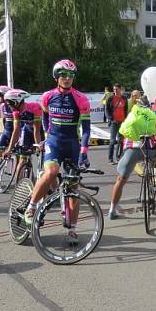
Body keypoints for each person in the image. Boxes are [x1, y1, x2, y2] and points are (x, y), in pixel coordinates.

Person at [22, 60, 92, 246]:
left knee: (73, 189)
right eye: (63, 74)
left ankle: (72, 229)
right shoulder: (47, 96)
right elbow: (45, 115)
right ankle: (31, 207)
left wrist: (84, 151)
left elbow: (85, 130)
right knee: (51, 172)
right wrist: (46, 135)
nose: (67, 78)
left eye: (70, 75)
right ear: (56, 76)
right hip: (54, 141)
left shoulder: (81, 99)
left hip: (72, 144)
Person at [108, 96, 156, 220]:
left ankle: (112, 210)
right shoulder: (155, 114)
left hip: (132, 149)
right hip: (150, 149)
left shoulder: (132, 113)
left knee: (120, 180)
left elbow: (123, 131)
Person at [2, 89, 43, 181]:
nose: (8, 106)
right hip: (27, 130)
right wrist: (9, 149)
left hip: (40, 131)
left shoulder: (35, 107)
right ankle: (19, 186)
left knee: (43, 161)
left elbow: (37, 130)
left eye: (9, 104)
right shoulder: (15, 112)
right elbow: (16, 131)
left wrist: (39, 146)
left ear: (16, 102)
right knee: (22, 159)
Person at [106, 84, 128, 164]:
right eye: (114, 89)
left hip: (122, 122)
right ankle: (110, 159)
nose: (115, 91)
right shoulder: (111, 98)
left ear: (120, 89)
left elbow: (125, 109)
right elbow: (107, 110)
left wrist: (125, 119)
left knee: (121, 140)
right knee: (112, 141)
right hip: (114, 122)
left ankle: (119, 157)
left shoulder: (124, 98)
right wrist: (111, 119)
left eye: (116, 89)